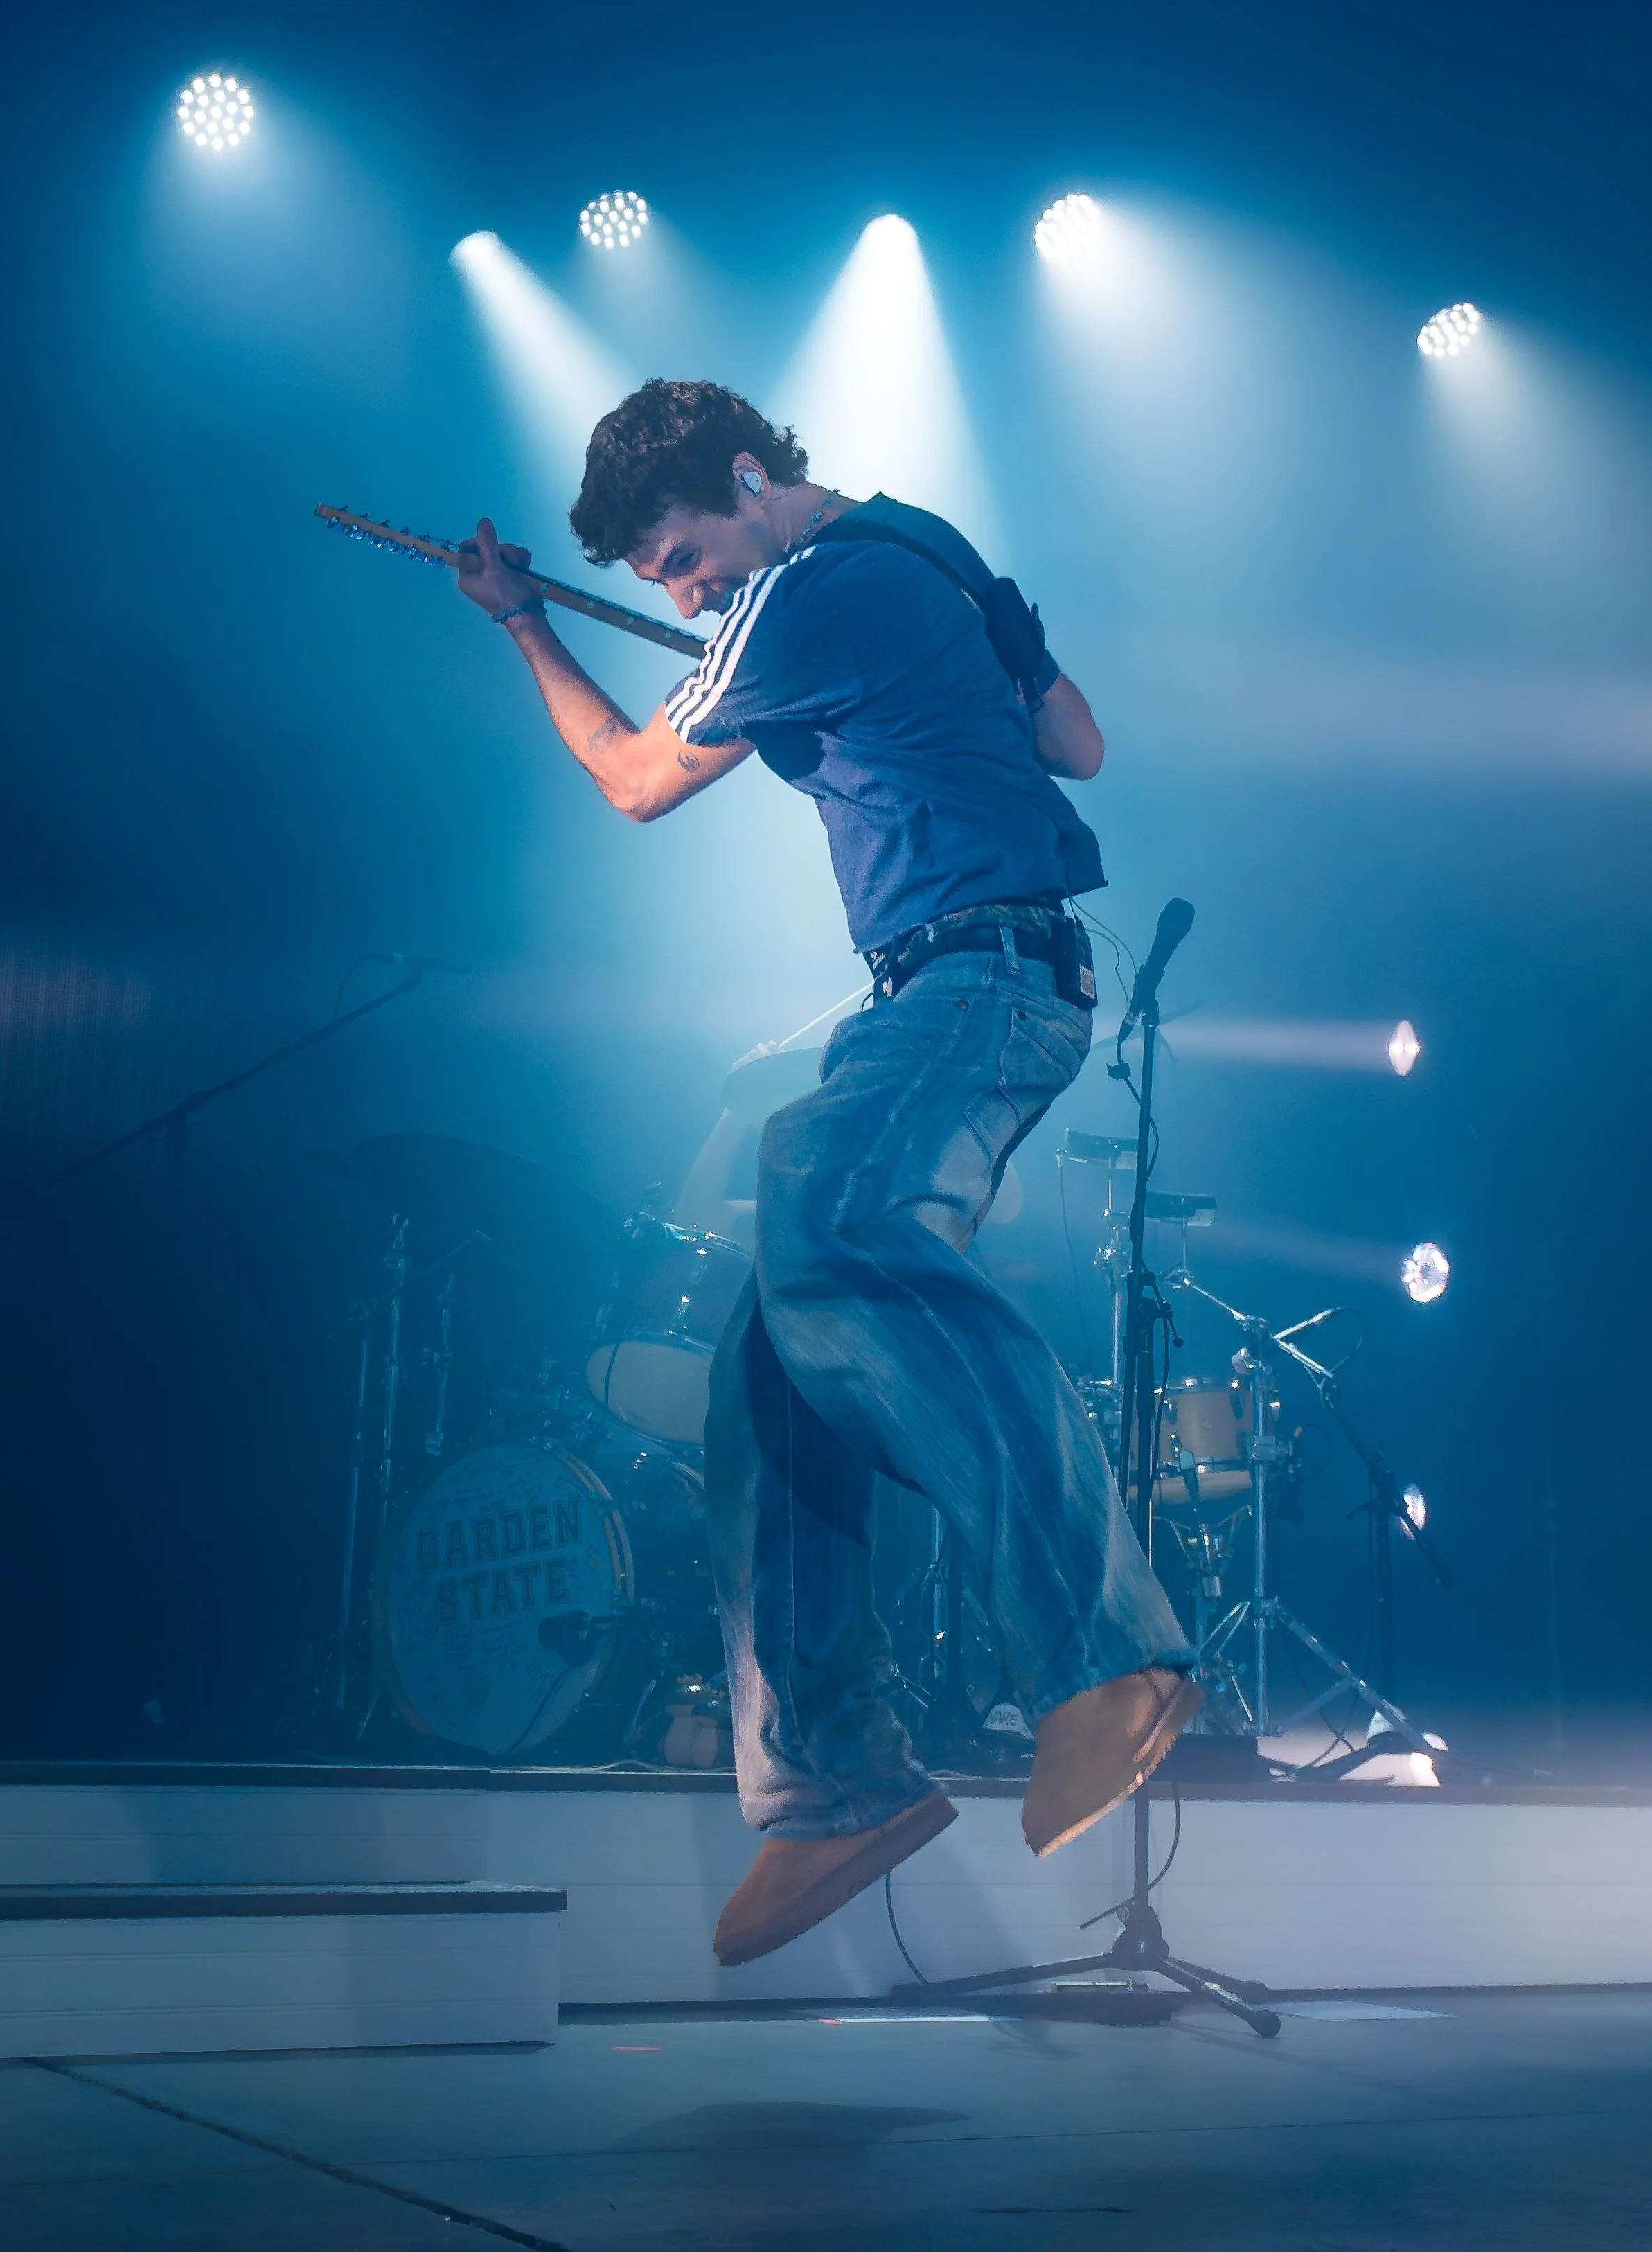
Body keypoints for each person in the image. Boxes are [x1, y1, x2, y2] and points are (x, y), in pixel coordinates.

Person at [460, 378, 1196, 1965]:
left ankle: (1104, 1650)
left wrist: (524, 622)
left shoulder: (802, 594)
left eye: (682, 555)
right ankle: (833, 1783)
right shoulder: (923, 551)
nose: (681, 593)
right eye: (657, 577)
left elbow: (634, 777)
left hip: (969, 983)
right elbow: (1074, 739)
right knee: (770, 1374)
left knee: (838, 1219)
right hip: (997, 976)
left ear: (749, 476)